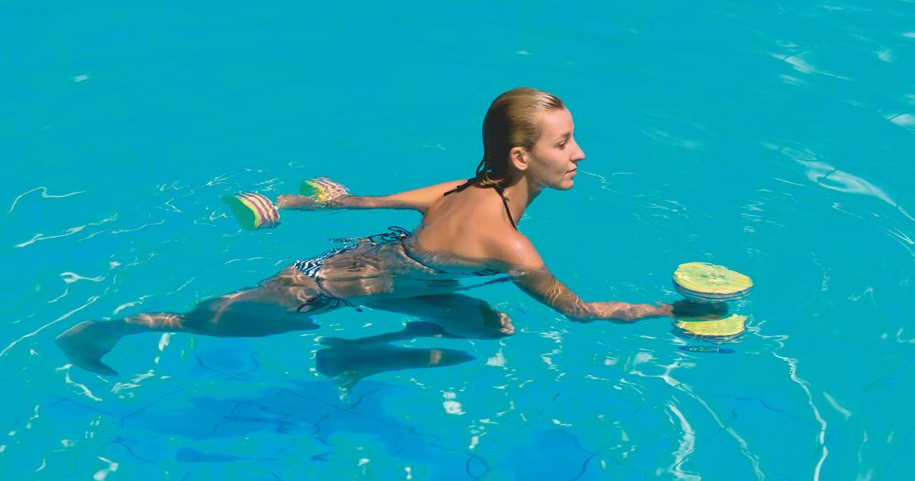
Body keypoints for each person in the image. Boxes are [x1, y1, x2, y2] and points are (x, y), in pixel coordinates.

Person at [56, 88, 720, 376]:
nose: (579, 154)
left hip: (388, 275)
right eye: (564, 143)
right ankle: (104, 329)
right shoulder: (509, 245)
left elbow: (360, 203)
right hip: (321, 290)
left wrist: (287, 202)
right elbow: (578, 312)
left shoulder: (463, 187)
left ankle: (352, 357)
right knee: (202, 323)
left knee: (490, 327)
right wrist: (671, 311)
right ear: (522, 157)